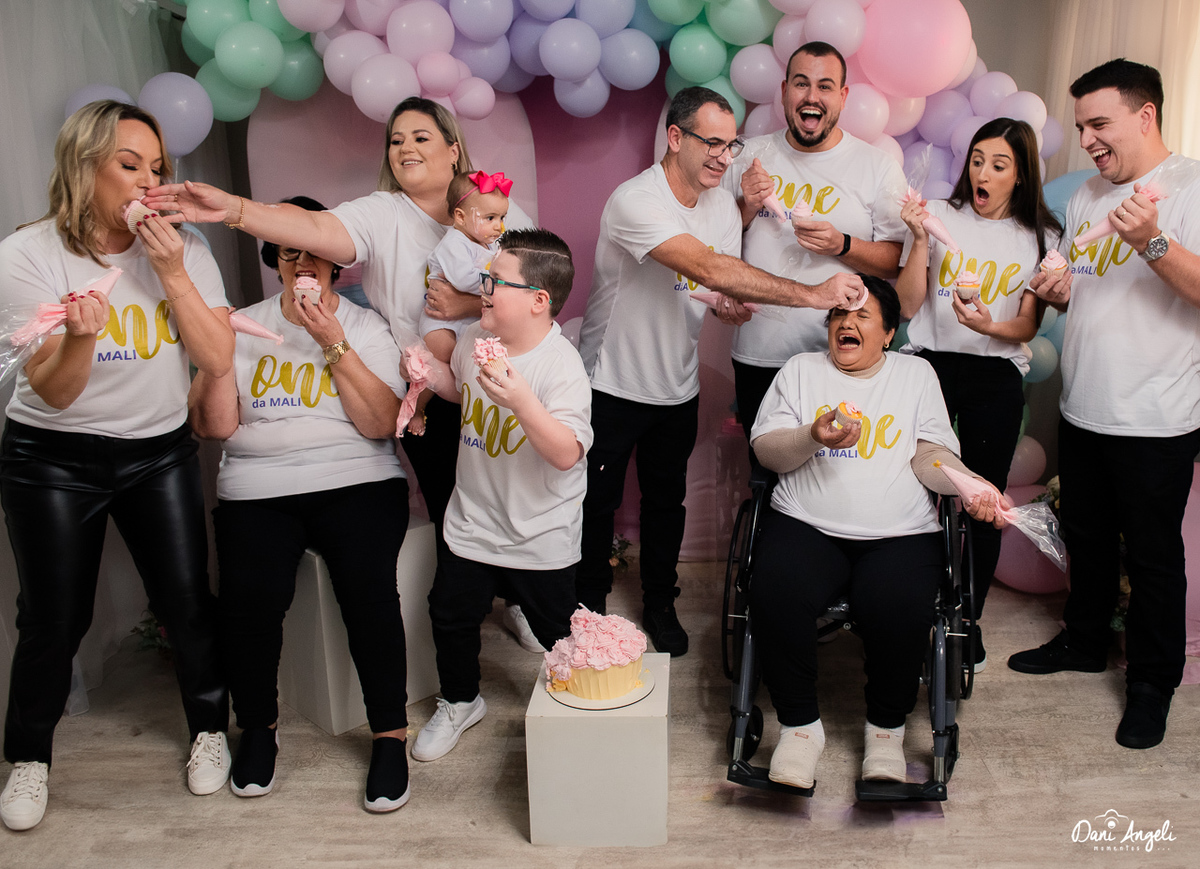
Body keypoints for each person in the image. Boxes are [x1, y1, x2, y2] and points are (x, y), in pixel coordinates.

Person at [145, 96, 539, 648]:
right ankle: (463, 628)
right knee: (452, 506)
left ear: (454, 150)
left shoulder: (498, 208)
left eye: (420, 137)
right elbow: (309, 226)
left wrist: (466, 305)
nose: (405, 148)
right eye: (396, 140)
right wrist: (233, 208)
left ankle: (522, 599)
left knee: (515, 495)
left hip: (504, 384)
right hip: (430, 392)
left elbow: (539, 295)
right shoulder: (381, 213)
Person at [0, 101, 233, 832]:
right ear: (85, 166)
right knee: (53, 616)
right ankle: (29, 757)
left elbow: (217, 357)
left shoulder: (183, 248)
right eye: (129, 165)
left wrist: (172, 272)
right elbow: (55, 392)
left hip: (157, 450)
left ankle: (209, 730)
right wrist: (78, 339)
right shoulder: (28, 254)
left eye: (156, 168)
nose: (148, 181)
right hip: (51, 457)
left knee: (186, 600)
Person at [575, 86, 866, 656]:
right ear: (675, 137)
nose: (723, 157)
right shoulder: (635, 200)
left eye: (731, 145)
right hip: (611, 381)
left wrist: (727, 305)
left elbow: (714, 285)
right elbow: (706, 265)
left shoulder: (721, 208)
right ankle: (586, 609)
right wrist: (813, 293)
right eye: (711, 142)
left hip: (677, 385)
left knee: (666, 503)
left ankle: (660, 604)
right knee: (595, 503)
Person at [187, 196, 412, 811]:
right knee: (249, 602)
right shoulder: (240, 325)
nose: (304, 264)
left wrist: (333, 343)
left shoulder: (367, 327)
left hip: (357, 478)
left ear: (337, 262)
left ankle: (389, 736)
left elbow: (381, 424)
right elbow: (214, 427)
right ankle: (258, 728)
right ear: (276, 260)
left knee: (368, 593)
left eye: (316, 253)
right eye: (290, 253)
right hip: (258, 486)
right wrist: (216, 356)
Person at [748, 275, 1005, 790]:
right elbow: (767, 452)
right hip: (806, 524)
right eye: (840, 315)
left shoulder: (916, 375)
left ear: (888, 333)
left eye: (862, 315)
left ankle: (886, 732)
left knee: (899, 603)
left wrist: (973, 485)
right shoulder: (800, 370)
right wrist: (813, 435)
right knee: (776, 587)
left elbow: (931, 456)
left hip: (901, 533)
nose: (847, 323)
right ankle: (800, 730)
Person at [1009, 59, 1200, 750]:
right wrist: (1060, 290)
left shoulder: (1191, 188)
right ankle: (1084, 640)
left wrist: (1151, 239)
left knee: (1152, 558)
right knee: (1084, 535)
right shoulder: (1089, 194)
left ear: (1145, 116)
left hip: (1156, 416)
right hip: (1084, 404)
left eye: (1099, 124)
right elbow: (1084, 290)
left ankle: (1151, 685)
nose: (1087, 140)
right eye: (1082, 126)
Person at [410, 229, 590, 762]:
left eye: (494, 282)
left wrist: (521, 400)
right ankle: (460, 700)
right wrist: (428, 373)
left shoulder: (562, 365)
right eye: (484, 279)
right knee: (450, 614)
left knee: (559, 630)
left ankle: (577, 705)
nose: (481, 290)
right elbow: (460, 388)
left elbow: (566, 453)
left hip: (541, 529)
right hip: (473, 519)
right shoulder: (472, 339)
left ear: (539, 300)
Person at [895, 117, 1063, 672]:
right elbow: (909, 305)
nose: (983, 173)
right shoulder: (939, 215)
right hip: (931, 368)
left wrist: (990, 327)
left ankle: (967, 620)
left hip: (995, 374)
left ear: (1022, 175)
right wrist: (921, 238)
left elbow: (1027, 326)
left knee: (985, 501)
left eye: (999, 164)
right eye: (977, 160)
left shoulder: (1042, 236)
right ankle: (912, 611)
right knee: (915, 490)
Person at [724, 41, 907, 462]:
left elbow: (896, 262)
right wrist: (746, 206)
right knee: (766, 472)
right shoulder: (751, 156)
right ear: (784, 90)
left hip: (842, 359)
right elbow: (715, 244)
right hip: (759, 353)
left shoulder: (876, 166)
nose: (812, 96)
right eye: (801, 84)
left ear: (843, 96)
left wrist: (842, 245)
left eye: (825, 86)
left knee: (836, 474)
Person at [406, 170, 512, 438]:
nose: (499, 227)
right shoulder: (454, 243)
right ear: (461, 217)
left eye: (502, 218)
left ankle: (470, 403)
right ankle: (417, 406)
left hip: (467, 320)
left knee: (472, 359)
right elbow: (464, 280)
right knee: (439, 356)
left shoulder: (489, 245)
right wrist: (498, 283)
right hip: (439, 320)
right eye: (490, 218)